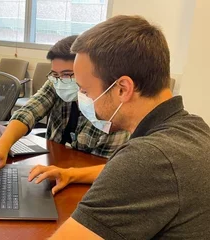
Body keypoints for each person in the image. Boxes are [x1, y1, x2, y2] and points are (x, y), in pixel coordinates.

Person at [49, 15, 210, 239]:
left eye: (85, 91)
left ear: (123, 88)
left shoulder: (148, 157)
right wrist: (74, 174)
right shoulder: (193, 128)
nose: (82, 99)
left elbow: (140, 170)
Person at [0, 36, 129, 194]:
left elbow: (115, 169)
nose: (61, 81)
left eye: (68, 74)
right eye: (56, 74)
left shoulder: (110, 106)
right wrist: (2, 144)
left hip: (89, 183)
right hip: (54, 169)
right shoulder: (57, 81)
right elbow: (30, 110)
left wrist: (70, 174)